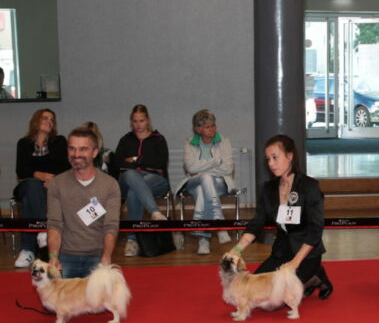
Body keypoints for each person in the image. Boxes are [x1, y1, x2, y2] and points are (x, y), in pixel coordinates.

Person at [231, 134, 333, 299]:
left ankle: (315, 275)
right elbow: (257, 222)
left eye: (275, 157)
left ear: (290, 156)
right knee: (257, 293)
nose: (270, 163)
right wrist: (237, 250)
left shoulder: (309, 186)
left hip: (306, 254)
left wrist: (295, 263)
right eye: (268, 159)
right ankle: (310, 279)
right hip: (281, 251)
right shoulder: (268, 189)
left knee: (277, 299)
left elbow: (315, 230)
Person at [46, 127, 121, 279]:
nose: (76, 154)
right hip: (65, 256)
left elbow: (111, 226)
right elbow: (54, 224)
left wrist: (106, 257)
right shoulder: (56, 184)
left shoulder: (110, 185)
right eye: (72, 149)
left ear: (95, 152)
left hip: (98, 256)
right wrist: (53, 257)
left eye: (83, 149)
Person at [173, 109, 237, 255]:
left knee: (204, 185)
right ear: (198, 129)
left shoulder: (224, 141)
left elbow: (228, 168)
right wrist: (215, 162)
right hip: (193, 182)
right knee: (205, 179)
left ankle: (203, 237)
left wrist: (201, 171)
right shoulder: (189, 143)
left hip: (220, 183)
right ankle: (219, 223)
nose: (212, 129)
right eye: (207, 126)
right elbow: (190, 167)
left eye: (213, 125)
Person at [13, 109, 70, 267]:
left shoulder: (59, 142)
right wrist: (39, 175)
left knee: (28, 201)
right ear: (36, 121)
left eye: (52, 120)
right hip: (28, 185)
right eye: (45, 118)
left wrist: (53, 178)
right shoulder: (23, 143)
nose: (49, 121)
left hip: (51, 186)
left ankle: (28, 250)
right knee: (32, 186)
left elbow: (65, 167)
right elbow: (21, 170)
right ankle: (44, 230)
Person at [113, 104, 170, 257]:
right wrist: (140, 163)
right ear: (131, 122)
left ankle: (132, 240)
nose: (138, 125)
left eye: (141, 121)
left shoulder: (158, 139)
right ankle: (154, 212)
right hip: (127, 179)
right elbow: (117, 163)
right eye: (135, 121)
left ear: (148, 120)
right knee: (131, 176)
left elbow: (160, 163)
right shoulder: (125, 140)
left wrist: (134, 160)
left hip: (156, 180)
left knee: (134, 191)